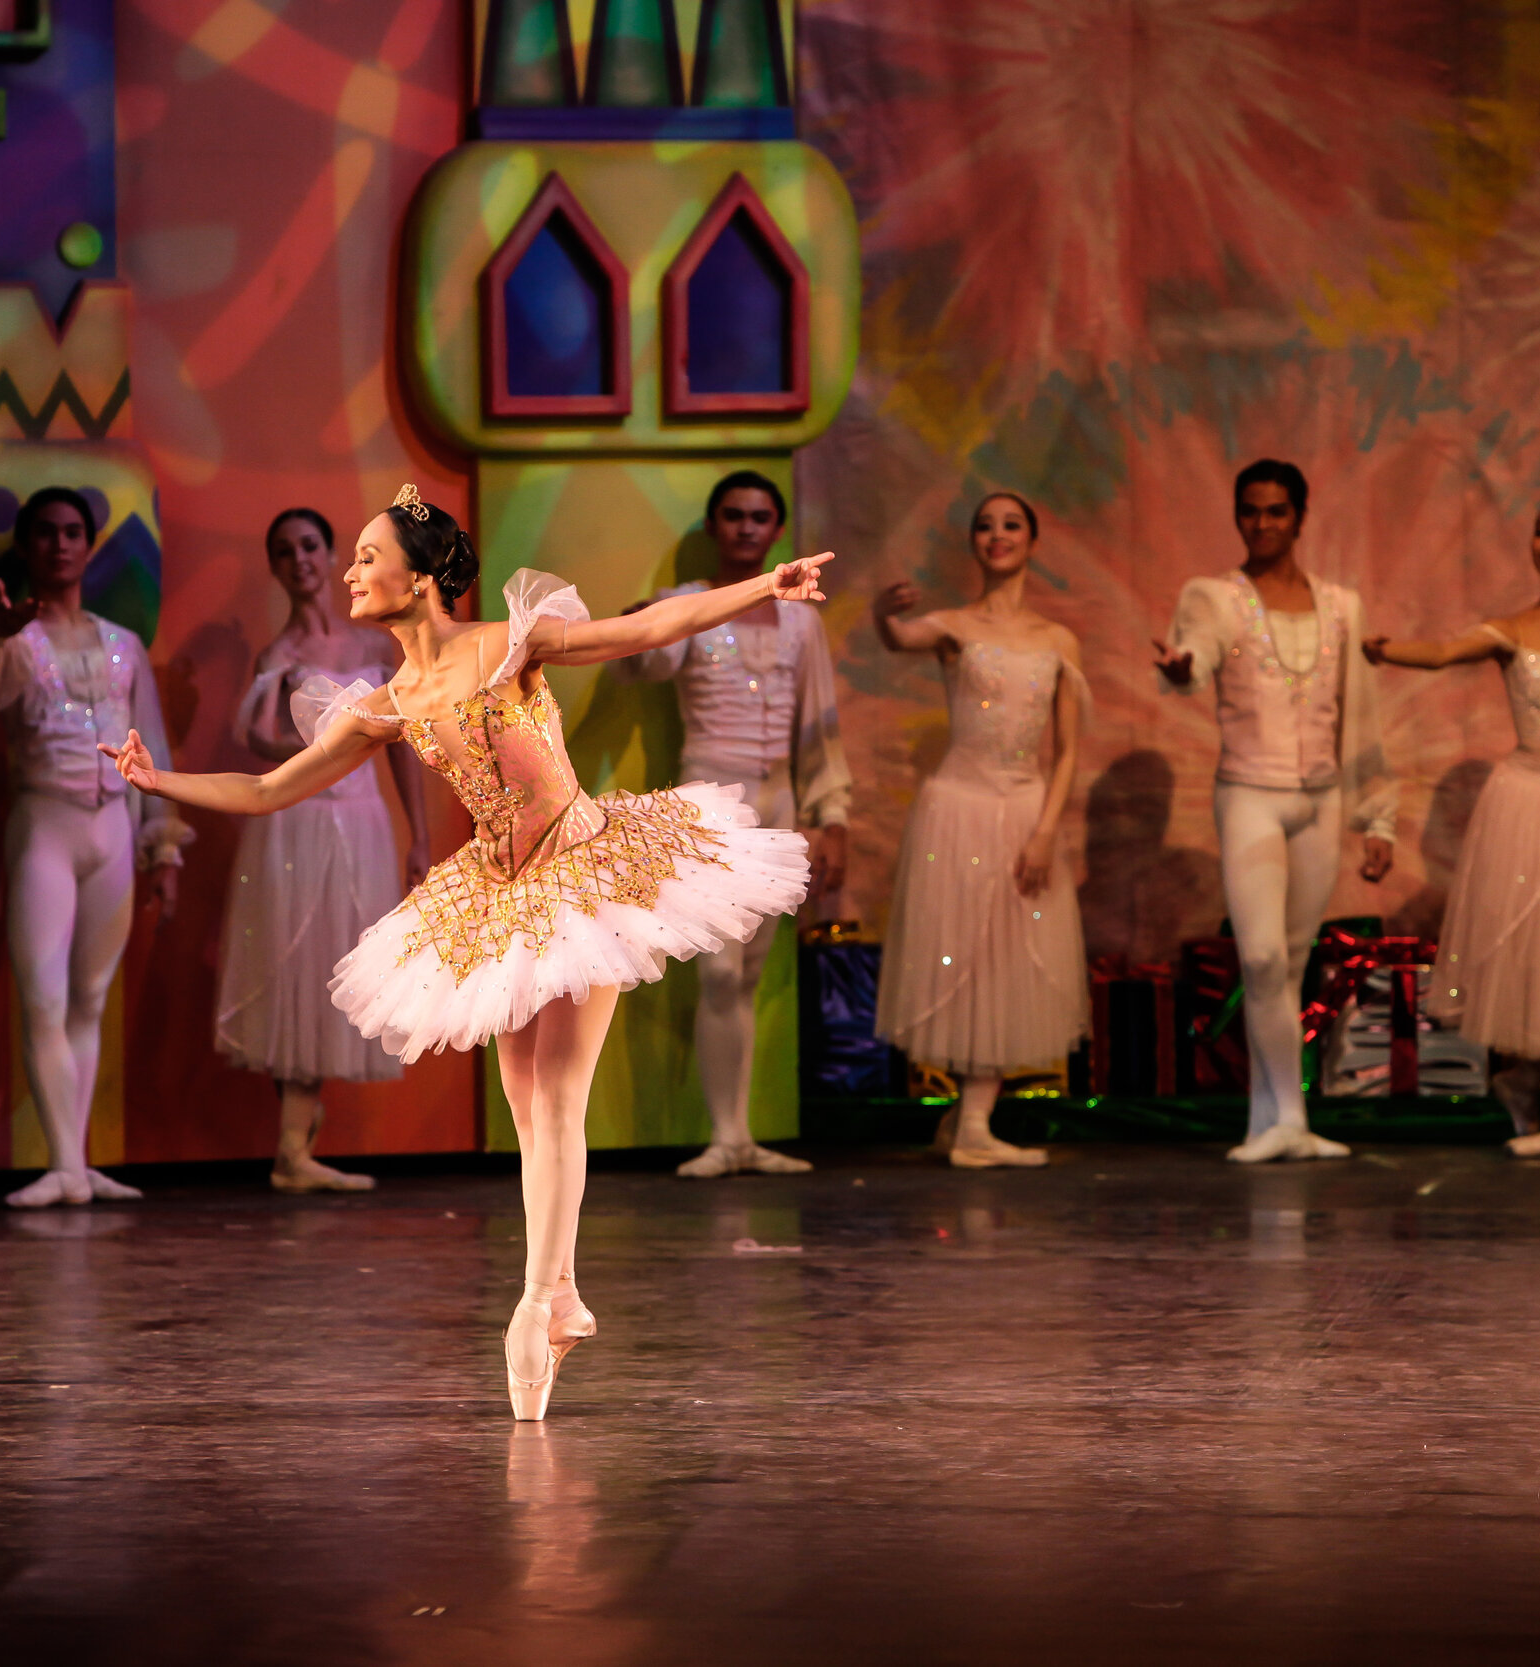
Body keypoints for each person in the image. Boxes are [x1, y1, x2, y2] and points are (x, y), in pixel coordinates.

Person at [101, 485, 829, 1419]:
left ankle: (534, 1306)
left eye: (369, 555)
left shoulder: (511, 641)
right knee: (527, 1106)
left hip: (585, 872)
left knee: (558, 1096)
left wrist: (766, 583)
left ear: (422, 572)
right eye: (356, 558)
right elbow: (271, 786)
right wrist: (157, 779)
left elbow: (645, 630)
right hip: (497, 892)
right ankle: (559, 1291)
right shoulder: (390, 702)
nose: (357, 572)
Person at [1362, 496, 1540, 1156]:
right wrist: (1386, 651)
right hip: (1526, 798)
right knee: (1536, 945)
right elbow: (1442, 653)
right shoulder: (1512, 630)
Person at [1153, 460, 1394, 1163]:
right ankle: (1287, 1115)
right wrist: (1181, 669)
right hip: (1252, 794)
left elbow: (1363, 713)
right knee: (1258, 957)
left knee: (1290, 962)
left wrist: (1377, 816)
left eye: (1276, 511)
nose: (1262, 524)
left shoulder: (1342, 606)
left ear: (1299, 517)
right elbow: (1193, 656)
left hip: (1320, 798)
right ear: (1237, 516)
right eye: (1250, 511)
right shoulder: (1217, 596)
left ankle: (1272, 1120)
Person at [613, 470, 848, 1179]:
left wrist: (830, 818)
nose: (747, 528)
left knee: (746, 972)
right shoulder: (687, 604)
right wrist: (633, 628)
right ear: (715, 527)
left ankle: (741, 1136)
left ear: (778, 529)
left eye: (760, 517)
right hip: (709, 804)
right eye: (734, 516)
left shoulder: (802, 617)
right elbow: (648, 666)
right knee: (717, 970)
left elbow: (820, 726)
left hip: (776, 802)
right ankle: (723, 1136)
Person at [0, 487, 189, 1209]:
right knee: (43, 997)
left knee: (90, 997)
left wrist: (162, 849)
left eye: (71, 533)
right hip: (45, 826)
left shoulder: (124, 644)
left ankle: (76, 1160)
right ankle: (64, 1165)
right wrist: (1, 633)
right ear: (27, 547)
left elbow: (149, 745)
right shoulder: (10, 635)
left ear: (88, 547)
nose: (60, 545)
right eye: (45, 533)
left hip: (111, 831)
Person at [870, 492, 1089, 1167]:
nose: (998, 534)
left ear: (1031, 539)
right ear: (975, 543)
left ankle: (971, 1121)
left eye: (1012, 524)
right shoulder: (953, 625)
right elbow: (899, 637)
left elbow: (1069, 747)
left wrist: (1047, 830)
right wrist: (884, 614)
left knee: (1009, 958)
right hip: (959, 806)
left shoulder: (1057, 640)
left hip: (1024, 807)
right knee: (967, 957)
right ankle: (971, 1126)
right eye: (986, 525)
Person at [219, 508, 430, 1192]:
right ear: (275, 567)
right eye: (284, 551)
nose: (300, 559)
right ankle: (292, 1148)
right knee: (295, 968)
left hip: (361, 822)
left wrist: (419, 836)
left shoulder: (374, 643)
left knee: (337, 966)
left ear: (334, 553)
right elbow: (257, 746)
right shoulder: (275, 654)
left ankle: (295, 1144)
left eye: (310, 545)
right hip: (294, 823)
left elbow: (402, 745)